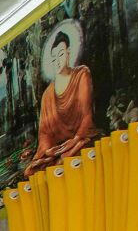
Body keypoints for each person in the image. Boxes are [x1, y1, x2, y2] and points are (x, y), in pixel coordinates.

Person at [24, 24, 96, 176]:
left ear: (68, 53)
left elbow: (86, 115)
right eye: (54, 57)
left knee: (64, 160)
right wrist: (48, 150)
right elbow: (44, 134)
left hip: (79, 139)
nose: (58, 60)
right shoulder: (47, 95)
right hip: (58, 149)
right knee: (31, 172)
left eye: (61, 54)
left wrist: (75, 139)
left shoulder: (81, 75)